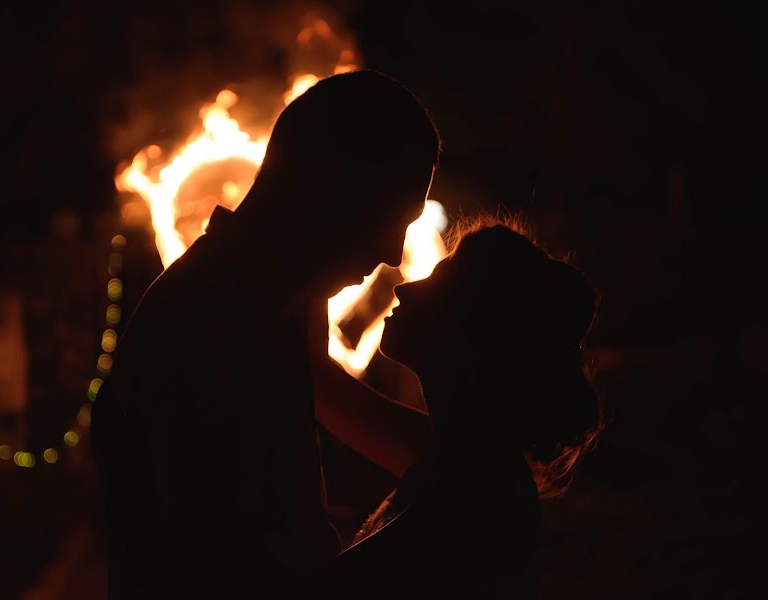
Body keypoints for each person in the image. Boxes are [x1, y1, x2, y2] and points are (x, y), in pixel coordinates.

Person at [90, 70, 440, 597]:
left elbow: (326, 389)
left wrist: (477, 468)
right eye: (392, 217)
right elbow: (237, 566)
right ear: (327, 188)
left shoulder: (279, 302)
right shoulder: (212, 322)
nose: (394, 253)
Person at [309, 218, 602, 598]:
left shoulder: (472, 497)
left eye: (437, 278)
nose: (402, 287)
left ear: (472, 333)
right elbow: (321, 385)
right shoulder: (459, 452)